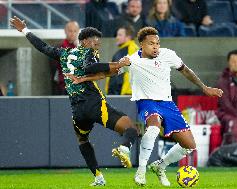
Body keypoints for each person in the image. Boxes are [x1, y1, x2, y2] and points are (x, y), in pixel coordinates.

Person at [66, 27, 223, 186]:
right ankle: (141, 172)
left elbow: (186, 71)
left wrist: (204, 88)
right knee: (153, 128)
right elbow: (107, 73)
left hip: (167, 103)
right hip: (147, 102)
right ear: (142, 44)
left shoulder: (168, 55)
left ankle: (160, 166)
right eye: (151, 43)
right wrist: (83, 79)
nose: (155, 47)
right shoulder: (132, 60)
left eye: (157, 43)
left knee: (189, 146)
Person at [10, 16, 138, 186]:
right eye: (94, 41)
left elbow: (43, 47)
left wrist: (25, 30)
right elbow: (89, 68)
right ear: (84, 41)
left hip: (77, 110)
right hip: (95, 104)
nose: (97, 44)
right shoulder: (88, 52)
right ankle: (124, 148)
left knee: (83, 140)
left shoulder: (63, 53)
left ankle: (98, 177)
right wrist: (116, 63)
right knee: (131, 127)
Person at [105, 25, 139, 95]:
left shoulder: (130, 50)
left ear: (128, 37)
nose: (117, 37)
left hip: (124, 95)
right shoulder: (125, 50)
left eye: (120, 35)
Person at [50, 20, 80, 95]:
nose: (73, 34)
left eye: (75, 31)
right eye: (70, 31)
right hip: (62, 88)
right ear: (65, 31)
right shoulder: (59, 48)